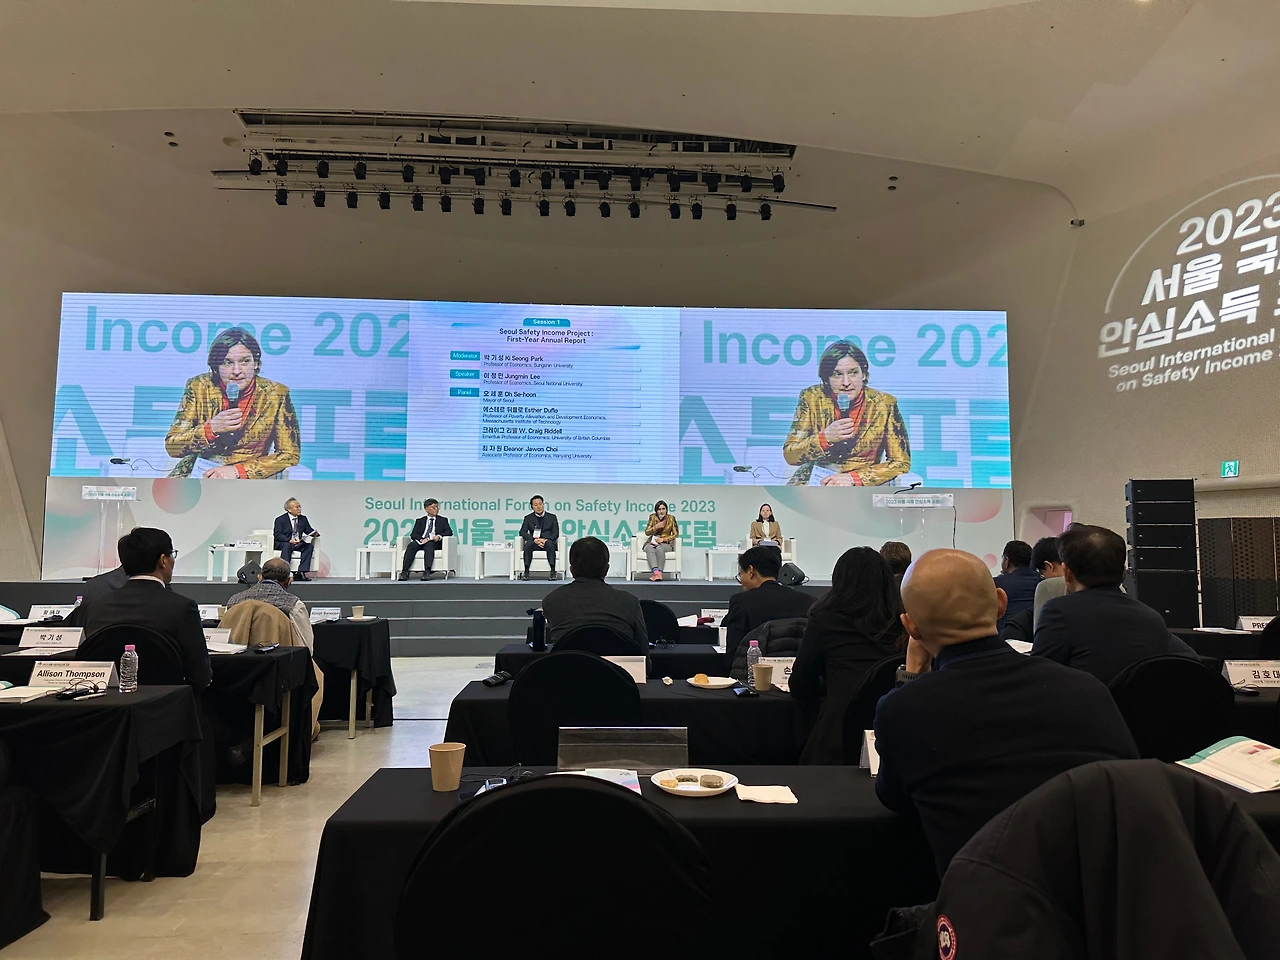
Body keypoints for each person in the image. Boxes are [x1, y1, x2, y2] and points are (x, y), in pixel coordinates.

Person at [873, 548, 1138, 875]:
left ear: (911, 627)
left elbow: (894, 797)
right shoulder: (1089, 691)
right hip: (1102, 892)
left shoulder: (903, 710)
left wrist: (912, 676)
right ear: (1001, 602)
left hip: (983, 896)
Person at [1032, 523, 1198, 684]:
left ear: (1067, 573)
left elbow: (1039, 678)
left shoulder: (1059, 612)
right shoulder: (1151, 617)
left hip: (1086, 703)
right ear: (1123, 572)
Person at [790, 546, 907, 763]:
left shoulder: (824, 620)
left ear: (839, 580)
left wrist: (830, 686)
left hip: (836, 734)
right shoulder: (901, 620)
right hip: (894, 729)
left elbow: (800, 685)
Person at [64, 527, 212, 689]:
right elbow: (200, 676)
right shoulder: (183, 608)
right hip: (167, 701)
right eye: (172, 554)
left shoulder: (94, 609)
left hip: (105, 701)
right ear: (163, 560)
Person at [165, 326, 300, 479]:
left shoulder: (276, 394)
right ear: (216, 367)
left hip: (248, 476)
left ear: (256, 363)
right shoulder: (198, 386)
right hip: (200, 472)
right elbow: (172, 447)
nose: (236, 371)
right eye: (227, 362)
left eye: (245, 361)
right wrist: (210, 429)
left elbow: (289, 454)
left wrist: (238, 471)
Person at [782, 340, 910, 486]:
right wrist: (824, 438)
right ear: (826, 379)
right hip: (817, 481)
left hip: (861, 484)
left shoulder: (884, 404)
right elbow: (790, 456)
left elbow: (901, 462)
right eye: (837, 374)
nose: (846, 382)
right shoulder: (811, 397)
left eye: (853, 373)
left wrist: (854, 478)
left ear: (864, 374)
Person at [540, 537, 648, 652]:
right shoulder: (629, 602)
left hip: (569, 664)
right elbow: (644, 655)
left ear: (571, 570)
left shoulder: (551, 601)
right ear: (606, 569)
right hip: (617, 664)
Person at [723, 545, 814, 665]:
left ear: (750, 571)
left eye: (741, 575)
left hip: (756, 673)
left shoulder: (741, 602)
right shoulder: (809, 601)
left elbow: (733, 653)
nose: (741, 581)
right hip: (799, 672)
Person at [227, 557, 315, 650]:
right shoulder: (294, 605)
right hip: (281, 658)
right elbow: (306, 647)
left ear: (259, 577)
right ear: (289, 581)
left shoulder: (234, 601)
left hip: (237, 658)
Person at [399, 499, 453, 581]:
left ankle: (427, 572)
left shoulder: (443, 520)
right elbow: (413, 534)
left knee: (429, 545)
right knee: (412, 545)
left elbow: (449, 532)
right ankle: (404, 572)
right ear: (426, 509)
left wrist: (439, 536)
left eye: (437, 507)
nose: (436, 509)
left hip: (434, 542)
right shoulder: (420, 521)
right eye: (433, 507)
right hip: (421, 541)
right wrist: (421, 539)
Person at [992, 539, 1038, 633]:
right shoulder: (1042, 582)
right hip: (1035, 637)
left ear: (1006, 561)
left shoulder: (996, 584)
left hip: (1006, 636)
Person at [274, 497, 318, 581]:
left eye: (300, 507)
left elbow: (308, 530)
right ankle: (284, 573)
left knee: (309, 547)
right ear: (289, 509)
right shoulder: (280, 519)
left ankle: (301, 573)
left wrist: (314, 534)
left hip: (297, 542)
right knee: (287, 546)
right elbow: (278, 535)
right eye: (297, 507)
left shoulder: (303, 519)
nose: (299, 509)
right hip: (285, 542)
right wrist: (289, 540)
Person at [518, 495, 560, 581]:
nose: (538, 507)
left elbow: (556, 533)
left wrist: (546, 540)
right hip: (534, 542)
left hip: (547, 541)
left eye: (540, 504)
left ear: (543, 504)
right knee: (528, 545)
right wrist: (534, 540)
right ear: (532, 507)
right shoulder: (528, 518)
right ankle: (526, 572)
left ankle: (553, 571)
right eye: (536, 505)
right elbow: (522, 532)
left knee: (550, 544)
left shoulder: (552, 517)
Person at [642, 501, 679, 581]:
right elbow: (647, 532)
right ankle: (656, 573)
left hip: (665, 544)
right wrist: (655, 527)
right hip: (652, 542)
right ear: (656, 511)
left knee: (659, 548)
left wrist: (664, 539)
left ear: (666, 510)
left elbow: (676, 534)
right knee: (650, 548)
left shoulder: (671, 518)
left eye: (663, 509)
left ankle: (659, 573)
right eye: (659, 509)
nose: (661, 511)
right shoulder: (652, 517)